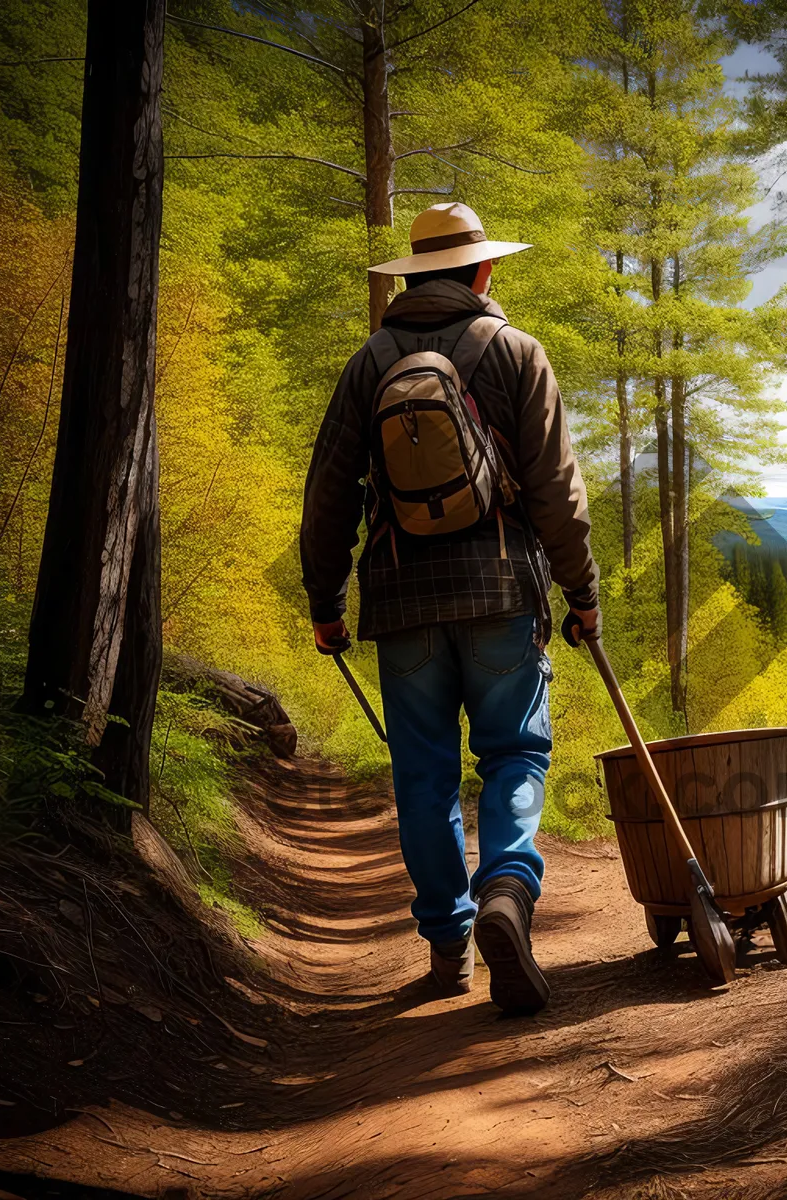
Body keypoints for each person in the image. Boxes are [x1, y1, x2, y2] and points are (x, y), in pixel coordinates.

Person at [300, 202, 600, 1015]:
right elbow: (557, 495)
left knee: (423, 776)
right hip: (503, 594)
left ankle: (448, 944)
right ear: (483, 271)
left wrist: (326, 602)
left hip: (401, 605)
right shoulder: (517, 353)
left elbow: (329, 495)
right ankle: (507, 885)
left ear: (411, 277)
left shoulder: (369, 365)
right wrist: (583, 595)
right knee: (513, 756)